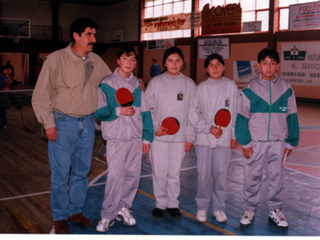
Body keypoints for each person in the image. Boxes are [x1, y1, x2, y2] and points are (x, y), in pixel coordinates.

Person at [31, 17, 112, 234]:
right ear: (76, 36)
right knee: (60, 174)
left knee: (82, 172)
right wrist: (48, 124)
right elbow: (40, 95)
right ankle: (59, 216)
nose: (93, 39)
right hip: (62, 123)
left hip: (87, 123)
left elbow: (112, 82)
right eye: (89, 34)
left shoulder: (96, 60)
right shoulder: (56, 59)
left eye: (94, 34)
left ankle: (75, 211)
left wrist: (132, 82)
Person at [235, 48, 299, 228]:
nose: (268, 67)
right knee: (251, 176)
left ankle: (275, 210)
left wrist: (290, 141)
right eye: (264, 63)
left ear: (278, 65)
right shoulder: (250, 88)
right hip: (255, 142)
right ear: (258, 66)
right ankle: (249, 209)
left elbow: (292, 116)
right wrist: (245, 142)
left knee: (277, 176)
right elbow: (241, 116)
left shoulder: (286, 88)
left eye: (272, 63)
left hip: (278, 143)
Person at [94, 46, 154, 232]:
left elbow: (145, 112)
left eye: (133, 59)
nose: (130, 62)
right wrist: (119, 111)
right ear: (118, 61)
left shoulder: (138, 84)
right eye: (126, 58)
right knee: (114, 177)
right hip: (116, 139)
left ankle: (123, 208)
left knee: (132, 177)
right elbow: (99, 112)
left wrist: (147, 138)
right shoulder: (106, 83)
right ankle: (107, 215)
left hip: (135, 139)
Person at [145, 46, 196, 220]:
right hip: (158, 137)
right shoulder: (155, 82)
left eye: (177, 60)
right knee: (159, 171)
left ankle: (173, 203)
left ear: (182, 63)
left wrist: (190, 136)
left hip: (179, 139)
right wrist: (155, 127)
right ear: (164, 63)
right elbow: (147, 108)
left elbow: (192, 112)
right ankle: (160, 203)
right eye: (170, 60)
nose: (174, 64)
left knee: (174, 172)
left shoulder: (189, 84)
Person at [189, 53, 239, 223]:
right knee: (203, 175)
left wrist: (233, 135)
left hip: (224, 141)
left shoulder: (231, 86)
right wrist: (209, 129)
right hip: (204, 139)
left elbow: (235, 113)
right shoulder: (201, 88)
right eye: (211, 65)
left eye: (218, 64)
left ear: (224, 67)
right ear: (206, 69)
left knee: (220, 175)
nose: (215, 68)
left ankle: (218, 208)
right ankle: (202, 207)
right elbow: (193, 113)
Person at [0, 65, 13, 129]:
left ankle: (4, 123)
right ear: (4, 70)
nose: (9, 71)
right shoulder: (1, 76)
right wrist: (8, 83)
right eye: (7, 69)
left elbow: (11, 86)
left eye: (10, 69)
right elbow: (2, 84)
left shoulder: (10, 77)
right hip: (1, 95)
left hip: (6, 95)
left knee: (4, 110)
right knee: (2, 109)